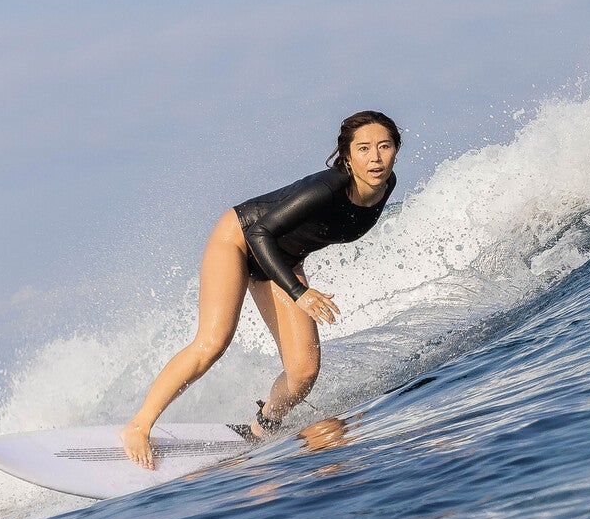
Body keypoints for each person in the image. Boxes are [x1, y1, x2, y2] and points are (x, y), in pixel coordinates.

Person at [122, 111, 401, 468]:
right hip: (239, 240)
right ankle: (139, 425)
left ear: (396, 149)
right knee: (212, 342)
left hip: (281, 259)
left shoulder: (385, 185)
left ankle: (263, 425)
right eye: (363, 148)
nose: (375, 158)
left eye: (384, 146)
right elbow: (259, 233)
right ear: (347, 155)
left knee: (303, 373)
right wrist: (300, 293)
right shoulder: (328, 189)